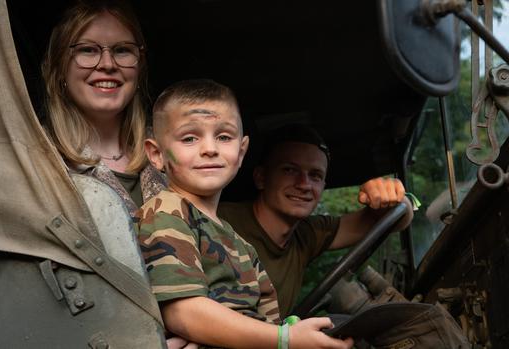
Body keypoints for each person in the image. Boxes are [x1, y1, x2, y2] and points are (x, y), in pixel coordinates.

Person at [138, 79, 354, 349]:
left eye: (224, 137)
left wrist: (291, 331)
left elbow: (267, 324)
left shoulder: (238, 242)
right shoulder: (166, 213)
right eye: (190, 137)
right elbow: (184, 313)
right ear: (156, 154)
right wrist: (285, 339)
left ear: (241, 152)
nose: (210, 148)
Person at [218, 124, 414, 317]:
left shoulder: (307, 234)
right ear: (261, 177)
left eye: (315, 175)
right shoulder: (217, 222)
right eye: (289, 170)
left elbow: (393, 221)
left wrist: (396, 197)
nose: (304, 184)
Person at [42, 0, 165, 211]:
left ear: (139, 67)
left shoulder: (172, 147)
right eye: (88, 50)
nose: (107, 64)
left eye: (122, 50)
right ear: (60, 66)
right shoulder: (38, 156)